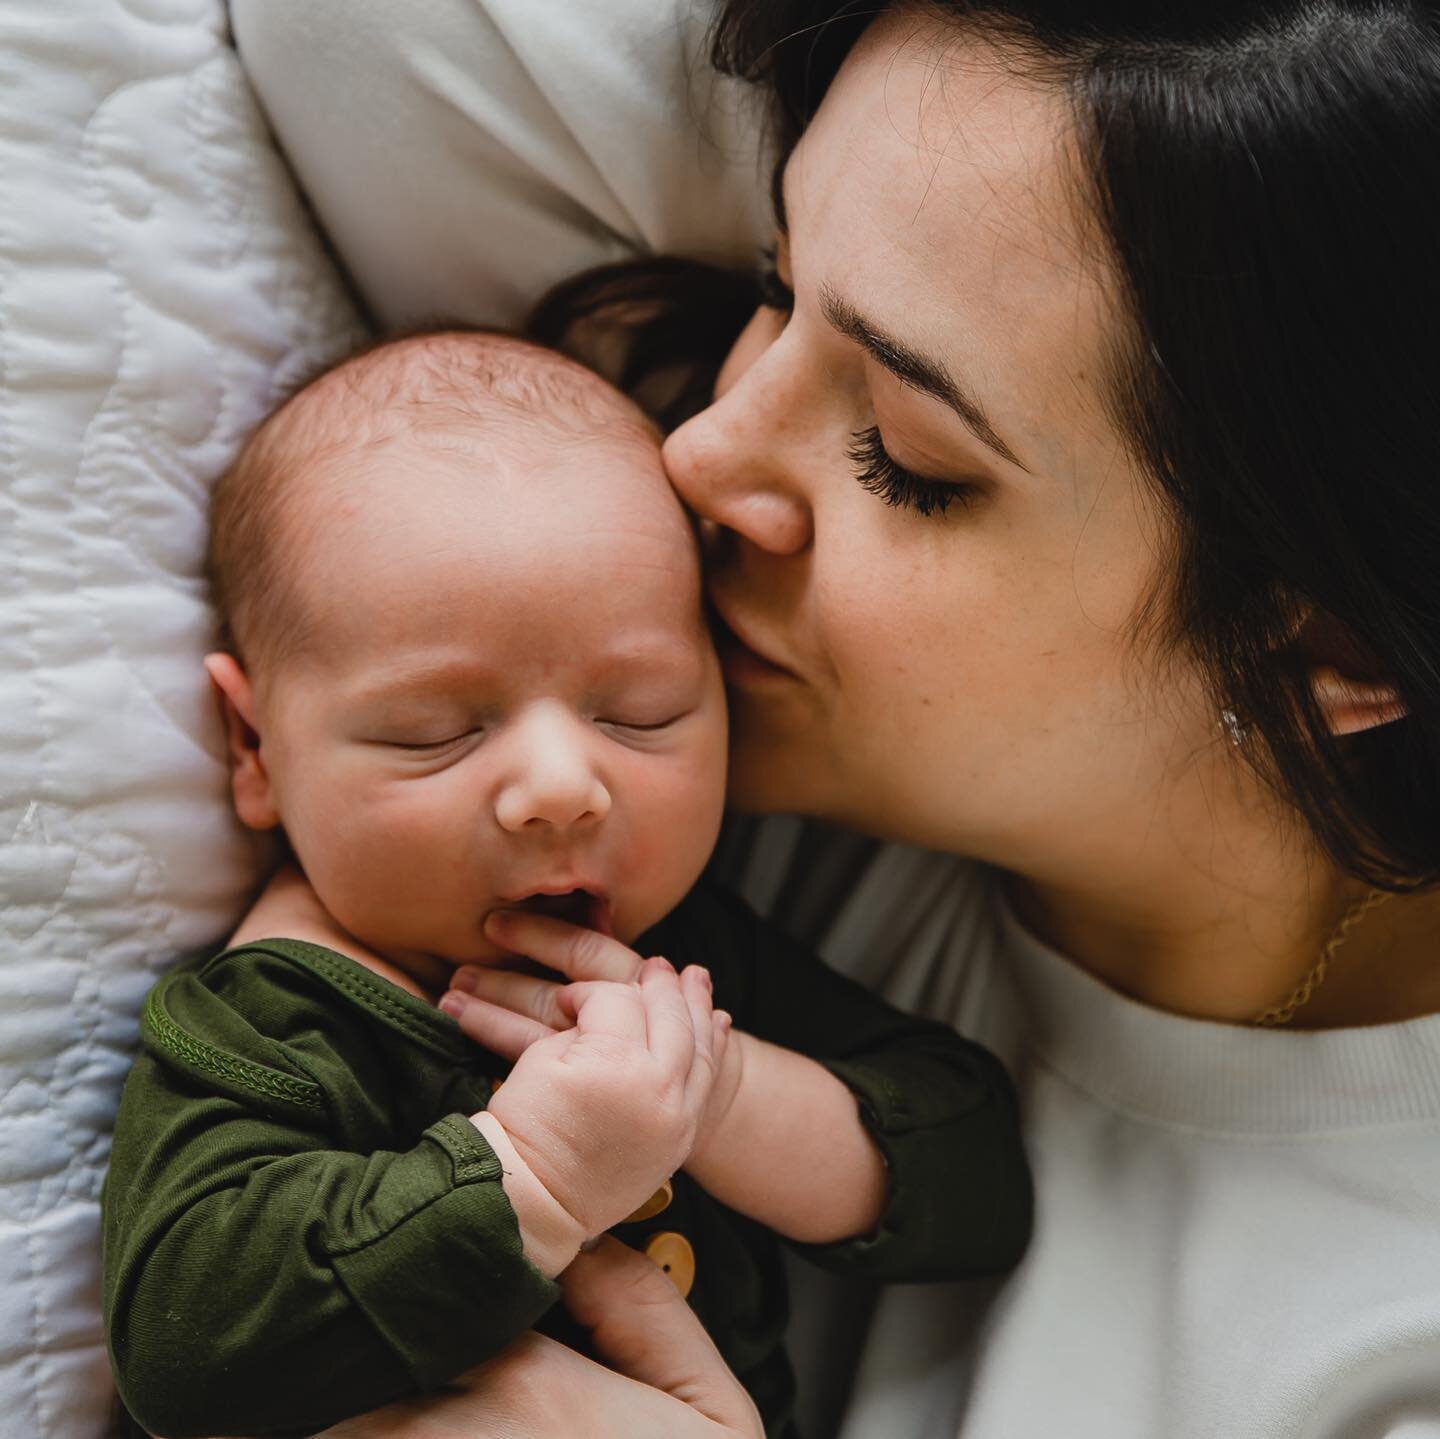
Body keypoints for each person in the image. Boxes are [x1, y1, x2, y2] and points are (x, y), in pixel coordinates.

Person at [224, 0, 1440, 1435]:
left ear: (1330, 642)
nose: (697, 448)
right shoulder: (658, 694)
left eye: (906, 457)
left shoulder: (1380, 1347)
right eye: (774, 280)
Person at [100, 329, 1029, 1438]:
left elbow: (977, 1181)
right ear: (254, 746)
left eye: (640, 710)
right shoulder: (272, 1027)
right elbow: (182, 1357)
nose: (559, 786)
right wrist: (536, 1173)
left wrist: (718, 1095)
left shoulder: (685, 962)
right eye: (433, 731)